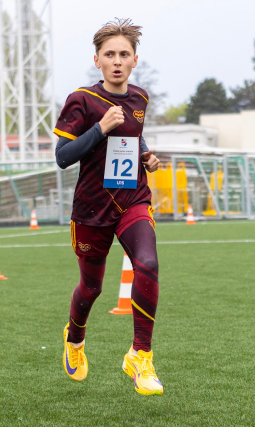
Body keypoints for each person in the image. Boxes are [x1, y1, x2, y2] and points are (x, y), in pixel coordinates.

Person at [53, 18, 163, 396]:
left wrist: (146, 155)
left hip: (133, 200)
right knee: (92, 287)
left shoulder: (140, 98)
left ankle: (140, 355)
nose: (117, 61)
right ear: (97, 60)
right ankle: (75, 338)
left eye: (124, 54)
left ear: (135, 60)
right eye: (110, 54)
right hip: (92, 209)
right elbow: (62, 156)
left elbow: (134, 134)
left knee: (147, 263)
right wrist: (100, 128)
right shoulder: (82, 100)